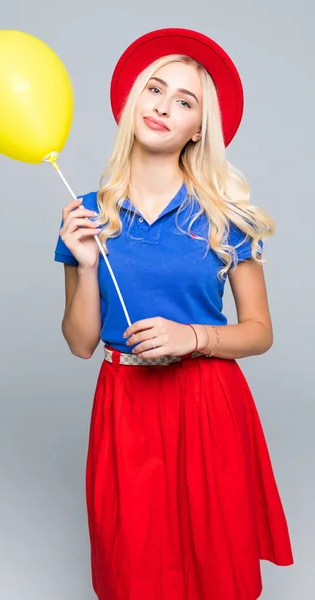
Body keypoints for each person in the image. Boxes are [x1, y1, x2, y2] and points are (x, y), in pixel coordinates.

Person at [53, 27, 294, 600]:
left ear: (197, 129)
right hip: (125, 404)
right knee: (132, 565)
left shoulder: (223, 217)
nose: (163, 106)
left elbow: (260, 332)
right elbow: (81, 343)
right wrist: (86, 266)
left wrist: (192, 336)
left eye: (184, 101)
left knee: (213, 563)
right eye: (154, 90)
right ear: (133, 100)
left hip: (207, 403)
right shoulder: (85, 214)